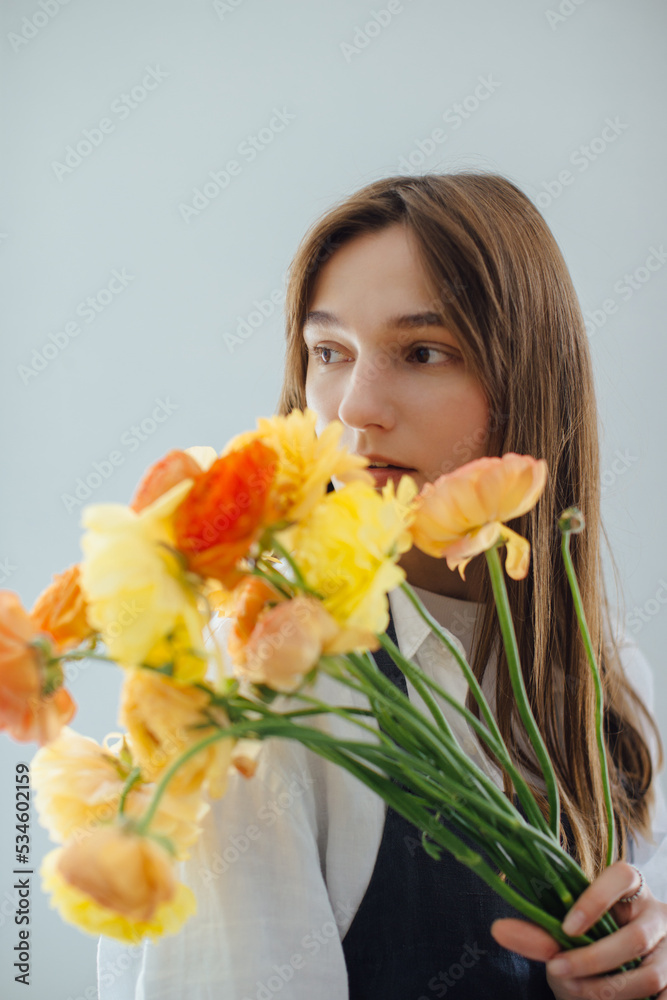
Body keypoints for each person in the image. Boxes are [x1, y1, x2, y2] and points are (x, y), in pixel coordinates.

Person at [97, 172, 667, 999]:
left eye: (422, 352)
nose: (354, 410)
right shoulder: (264, 686)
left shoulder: (607, 675)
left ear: (528, 382)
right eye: (329, 353)